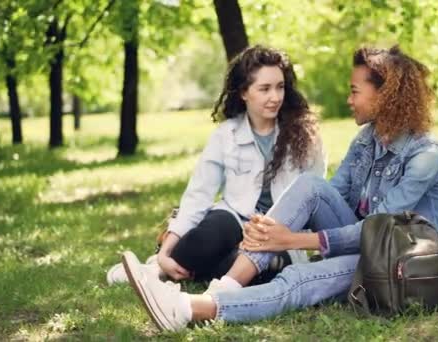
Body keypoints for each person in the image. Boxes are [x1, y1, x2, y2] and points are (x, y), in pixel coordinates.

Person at [121, 44, 438, 332]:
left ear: (385, 94)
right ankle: (226, 286)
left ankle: (190, 308)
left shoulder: (424, 156)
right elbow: (325, 195)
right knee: (309, 186)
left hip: (394, 264)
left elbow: (376, 232)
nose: (348, 100)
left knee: (297, 280)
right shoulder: (366, 140)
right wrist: (276, 233)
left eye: (354, 91)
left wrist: (292, 240)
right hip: (357, 245)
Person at [107, 45, 326, 286]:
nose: (275, 97)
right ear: (244, 93)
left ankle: (196, 269)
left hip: (277, 233)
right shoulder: (226, 134)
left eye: (280, 87)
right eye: (264, 89)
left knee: (269, 267)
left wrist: (301, 242)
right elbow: (198, 196)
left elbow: (314, 197)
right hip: (232, 221)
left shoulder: (305, 136)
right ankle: (157, 269)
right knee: (216, 228)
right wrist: (165, 251)